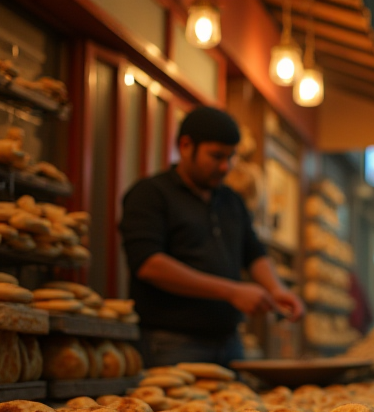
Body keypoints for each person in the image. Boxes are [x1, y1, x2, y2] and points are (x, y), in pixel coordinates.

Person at [119, 106, 304, 368]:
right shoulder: (150, 194)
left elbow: (254, 253)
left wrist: (277, 289)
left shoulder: (232, 201)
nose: (225, 166)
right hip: (170, 343)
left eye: (231, 157)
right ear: (185, 146)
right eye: (216, 156)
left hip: (230, 342)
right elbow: (149, 265)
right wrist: (231, 291)